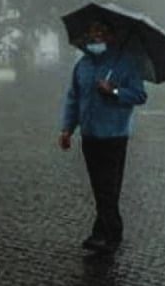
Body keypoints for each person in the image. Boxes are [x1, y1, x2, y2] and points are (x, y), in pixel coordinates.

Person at [57, 21, 148, 253]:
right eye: (92, 32)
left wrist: (114, 91)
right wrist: (67, 129)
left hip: (114, 135)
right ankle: (102, 231)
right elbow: (73, 98)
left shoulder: (126, 63)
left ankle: (111, 234)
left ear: (111, 35)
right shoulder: (82, 65)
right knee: (100, 187)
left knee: (108, 187)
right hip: (90, 135)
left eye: (101, 32)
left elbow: (139, 95)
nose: (95, 36)